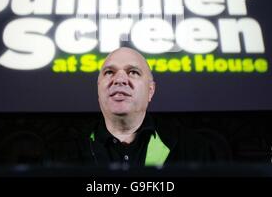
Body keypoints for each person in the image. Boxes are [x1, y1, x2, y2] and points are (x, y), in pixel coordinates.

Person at [72, 47, 217, 167]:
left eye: (133, 72)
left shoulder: (195, 149)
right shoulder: (63, 151)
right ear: (98, 89)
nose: (119, 80)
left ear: (150, 90)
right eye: (109, 72)